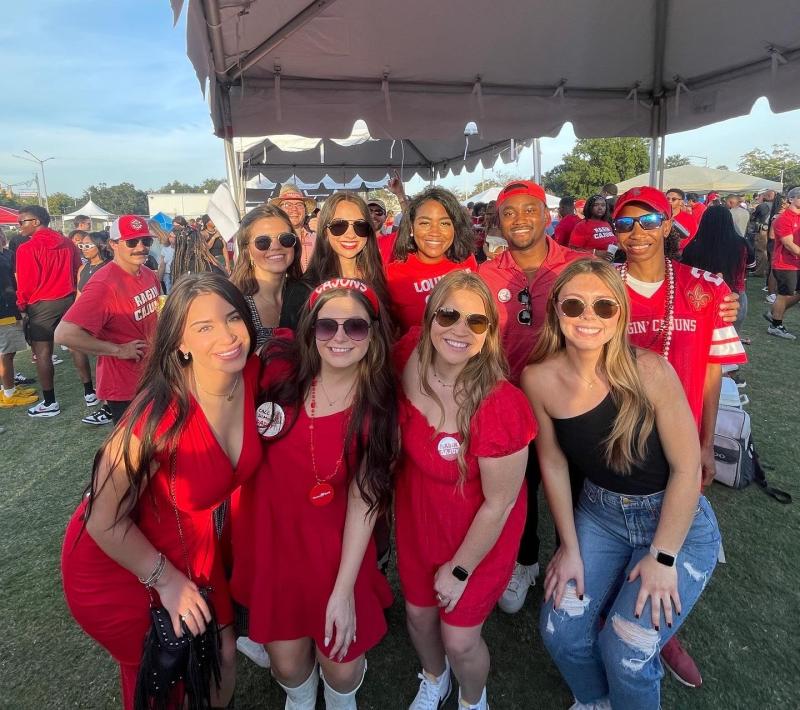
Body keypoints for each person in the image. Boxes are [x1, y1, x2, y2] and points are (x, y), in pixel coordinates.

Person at [522, 258, 720, 710]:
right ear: (556, 310)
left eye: (603, 306)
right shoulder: (538, 378)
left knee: (626, 647)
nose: (587, 316)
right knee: (560, 629)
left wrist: (663, 556)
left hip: (673, 519)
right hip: (598, 514)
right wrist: (567, 546)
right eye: (574, 304)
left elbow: (688, 470)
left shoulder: (650, 371)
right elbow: (552, 463)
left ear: (621, 313)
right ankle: (595, 701)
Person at [61, 273, 259, 710]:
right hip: (121, 559)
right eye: (203, 327)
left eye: (232, 318)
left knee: (222, 655)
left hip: (191, 541)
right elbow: (103, 519)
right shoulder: (157, 416)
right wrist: (165, 580)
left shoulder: (249, 374)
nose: (226, 336)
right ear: (180, 345)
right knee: (166, 670)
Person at [230, 278, 398, 710]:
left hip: (333, 549)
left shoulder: (378, 406)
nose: (340, 337)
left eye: (355, 327)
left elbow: (366, 500)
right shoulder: (277, 369)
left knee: (339, 662)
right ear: (310, 330)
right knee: (287, 665)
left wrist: (343, 591)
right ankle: (301, 700)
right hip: (273, 545)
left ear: (373, 333)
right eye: (327, 326)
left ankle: (342, 700)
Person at [612, 186, 745, 688]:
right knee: (603, 526)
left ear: (669, 225)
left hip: (679, 444)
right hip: (611, 439)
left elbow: (712, 370)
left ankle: (660, 631)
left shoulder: (706, 287)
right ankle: (610, 606)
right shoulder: (604, 284)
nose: (637, 233)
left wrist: (706, 441)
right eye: (625, 224)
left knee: (667, 529)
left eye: (648, 221)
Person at [395, 271, 535, 710]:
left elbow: (502, 501)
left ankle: (473, 698)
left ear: (490, 332)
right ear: (430, 316)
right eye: (448, 314)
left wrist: (459, 570)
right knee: (418, 615)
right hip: (420, 516)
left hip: (478, 531)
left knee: (459, 638)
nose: (459, 329)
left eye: (476, 322)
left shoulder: (501, 404)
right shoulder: (407, 356)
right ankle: (433, 679)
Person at [479, 180, 584, 614]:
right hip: (509, 405)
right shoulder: (485, 273)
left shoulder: (578, 266)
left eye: (529, 210)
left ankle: (573, 558)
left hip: (572, 402)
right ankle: (525, 561)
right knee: (520, 490)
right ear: (498, 221)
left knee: (576, 489)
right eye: (509, 212)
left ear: (546, 216)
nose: (519, 220)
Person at [54, 216, 161, 425]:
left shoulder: (147, 273)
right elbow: (64, 334)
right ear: (113, 244)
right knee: (136, 451)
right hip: (125, 386)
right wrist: (119, 350)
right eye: (131, 242)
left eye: (146, 241)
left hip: (153, 376)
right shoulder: (104, 284)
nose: (141, 247)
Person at [14, 205, 81, 418]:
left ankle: (50, 402)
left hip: (42, 304)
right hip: (69, 299)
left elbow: (26, 283)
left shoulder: (27, 248)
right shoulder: (68, 243)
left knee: (42, 354)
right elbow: (77, 270)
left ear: (35, 222)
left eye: (21, 222)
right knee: (76, 345)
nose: (19, 227)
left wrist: (22, 305)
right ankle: (90, 392)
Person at [386, 187, 479, 333]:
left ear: (455, 228)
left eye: (444, 223)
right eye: (425, 223)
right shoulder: (393, 276)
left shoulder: (467, 260)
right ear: (411, 228)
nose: (435, 232)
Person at [230, 204, 312, 349]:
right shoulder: (234, 304)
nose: (275, 247)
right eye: (262, 241)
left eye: (285, 238)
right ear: (246, 250)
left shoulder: (307, 296)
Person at [682, 206, 755, 341]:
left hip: (699, 297)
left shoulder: (693, 246)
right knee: (729, 342)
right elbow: (752, 266)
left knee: (701, 341)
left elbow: (685, 272)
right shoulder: (742, 244)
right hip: (734, 296)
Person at [305, 193, 390, 306]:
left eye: (360, 225)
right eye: (338, 225)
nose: (351, 235)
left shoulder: (382, 278)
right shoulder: (305, 288)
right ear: (325, 231)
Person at [66, 231, 113, 416]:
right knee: (74, 348)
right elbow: (79, 296)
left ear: (100, 246)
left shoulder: (109, 267)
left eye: (87, 245)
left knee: (106, 360)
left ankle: (108, 404)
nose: (83, 249)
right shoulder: (82, 269)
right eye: (81, 246)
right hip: (86, 318)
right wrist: (72, 319)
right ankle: (88, 390)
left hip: (105, 318)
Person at [0, 246, 37, 408]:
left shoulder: (4, 254)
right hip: (4, 310)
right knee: (6, 353)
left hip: (8, 307)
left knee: (8, 352)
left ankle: (8, 388)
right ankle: (9, 393)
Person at [765, 186, 800, 339]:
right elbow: (788, 244)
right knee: (784, 294)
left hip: (796, 263)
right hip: (785, 263)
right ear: (791, 199)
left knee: (794, 294)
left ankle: (774, 312)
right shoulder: (783, 218)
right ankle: (775, 325)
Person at [270, 183, 317, 271]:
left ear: (305, 210)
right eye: (288, 205)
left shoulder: (317, 238)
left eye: (299, 205)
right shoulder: (271, 240)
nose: (294, 209)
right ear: (279, 210)